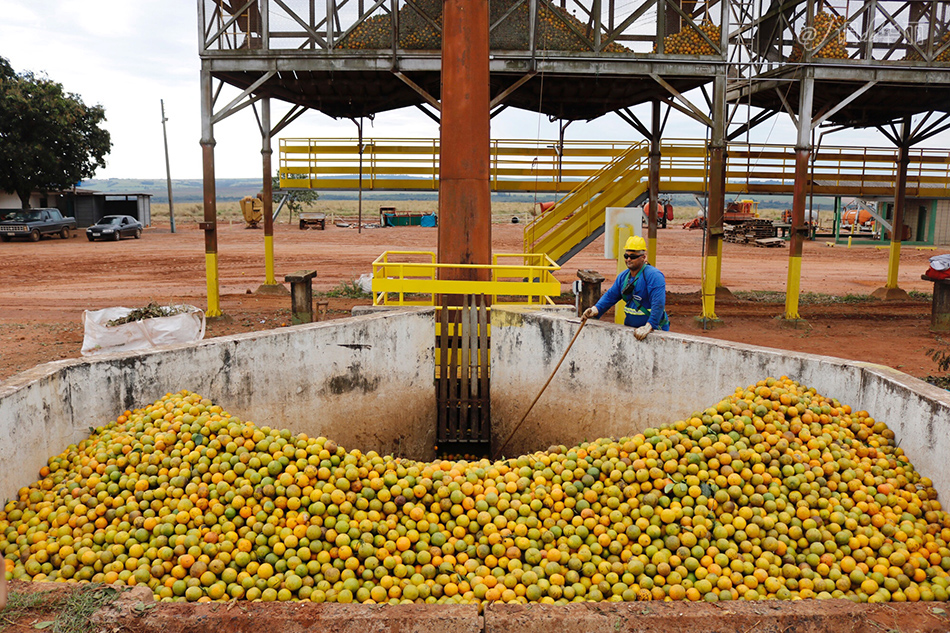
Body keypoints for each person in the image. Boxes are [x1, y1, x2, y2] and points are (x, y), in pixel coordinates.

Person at [582, 235, 669, 340]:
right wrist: (595, 309)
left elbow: (658, 303)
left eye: (633, 256)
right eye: (626, 256)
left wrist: (649, 326)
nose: (628, 259)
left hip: (653, 331)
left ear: (643, 257)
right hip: (632, 330)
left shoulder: (654, 276)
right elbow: (611, 296)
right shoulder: (623, 277)